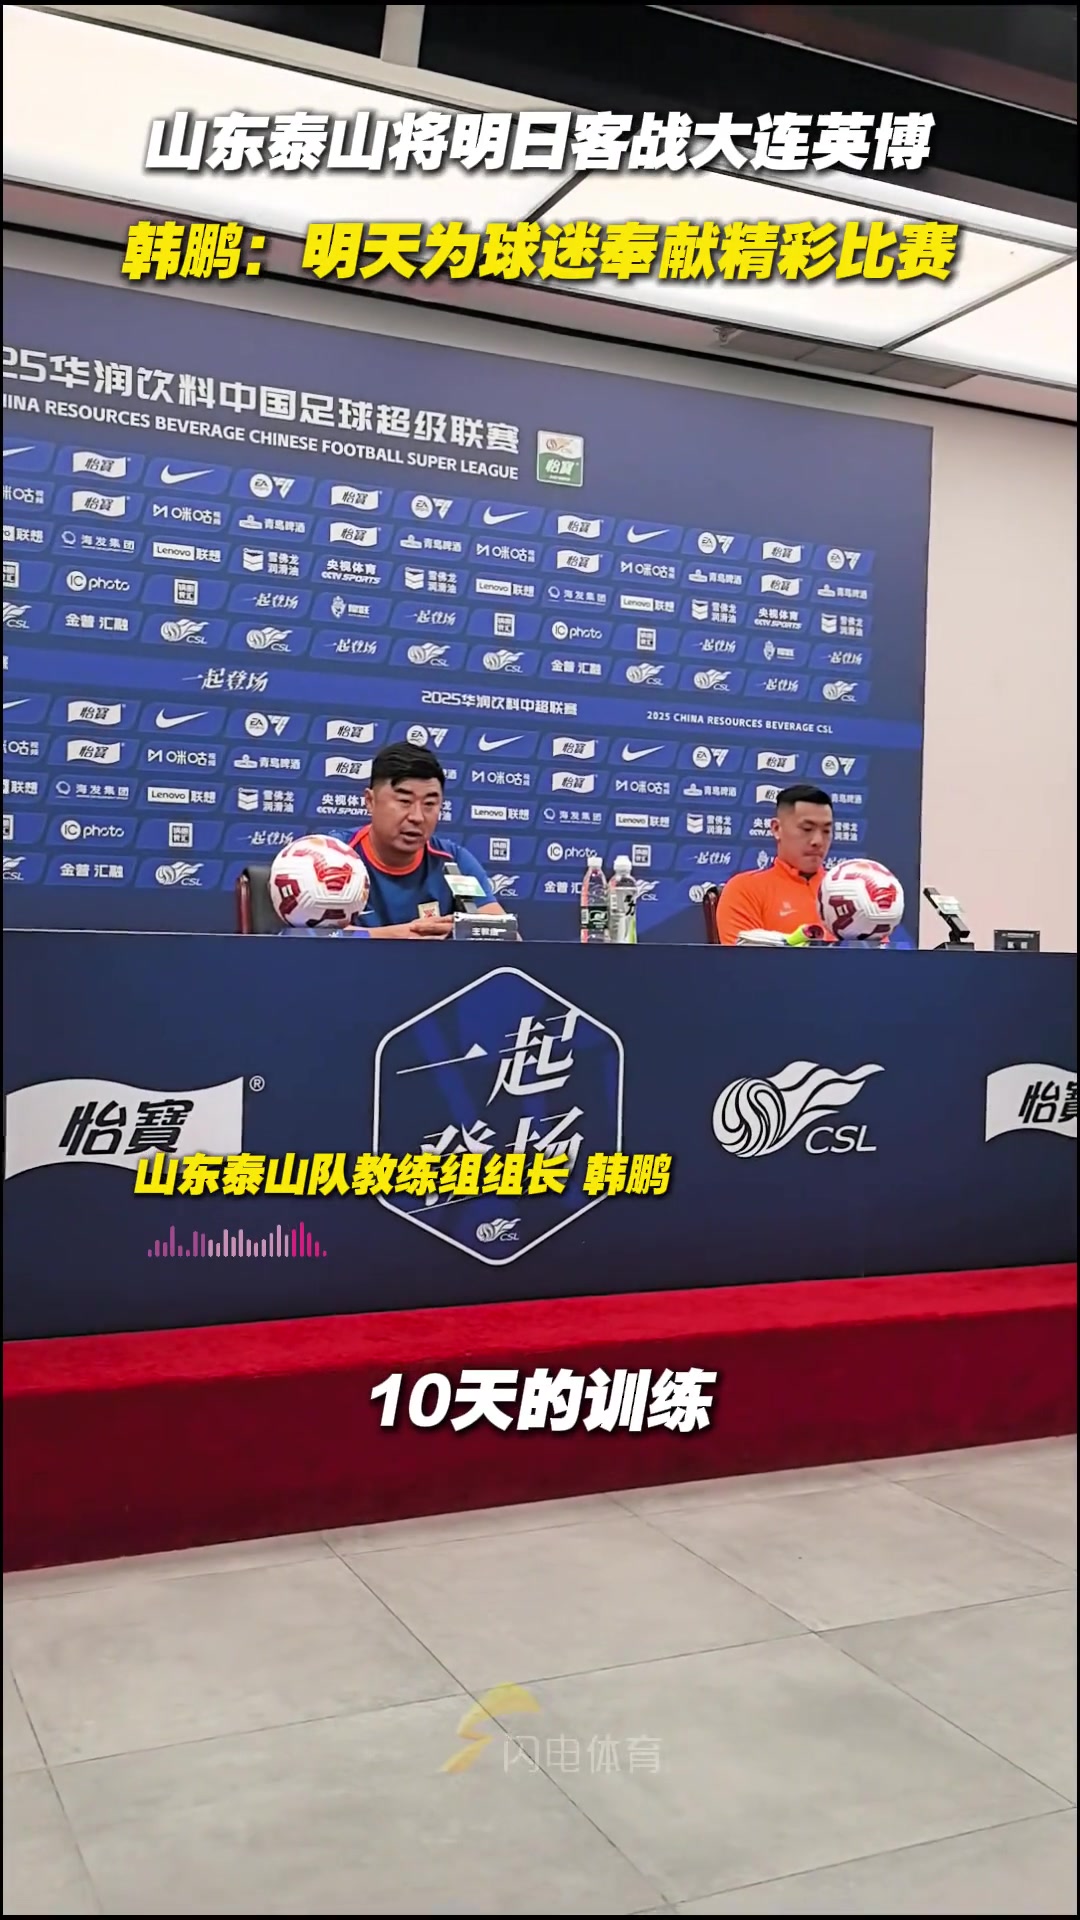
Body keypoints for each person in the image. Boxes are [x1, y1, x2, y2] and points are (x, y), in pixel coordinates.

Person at [346, 741, 507, 940]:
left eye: (429, 804)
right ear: (370, 801)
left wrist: (459, 932)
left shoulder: (454, 861)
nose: (417, 817)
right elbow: (315, 935)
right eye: (404, 801)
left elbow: (508, 937)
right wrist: (400, 936)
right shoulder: (331, 857)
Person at [715, 783, 836, 946]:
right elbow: (744, 959)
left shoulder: (849, 891)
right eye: (807, 829)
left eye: (826, 831)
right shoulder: (745, 889)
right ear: (777, 828)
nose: (818, 841)